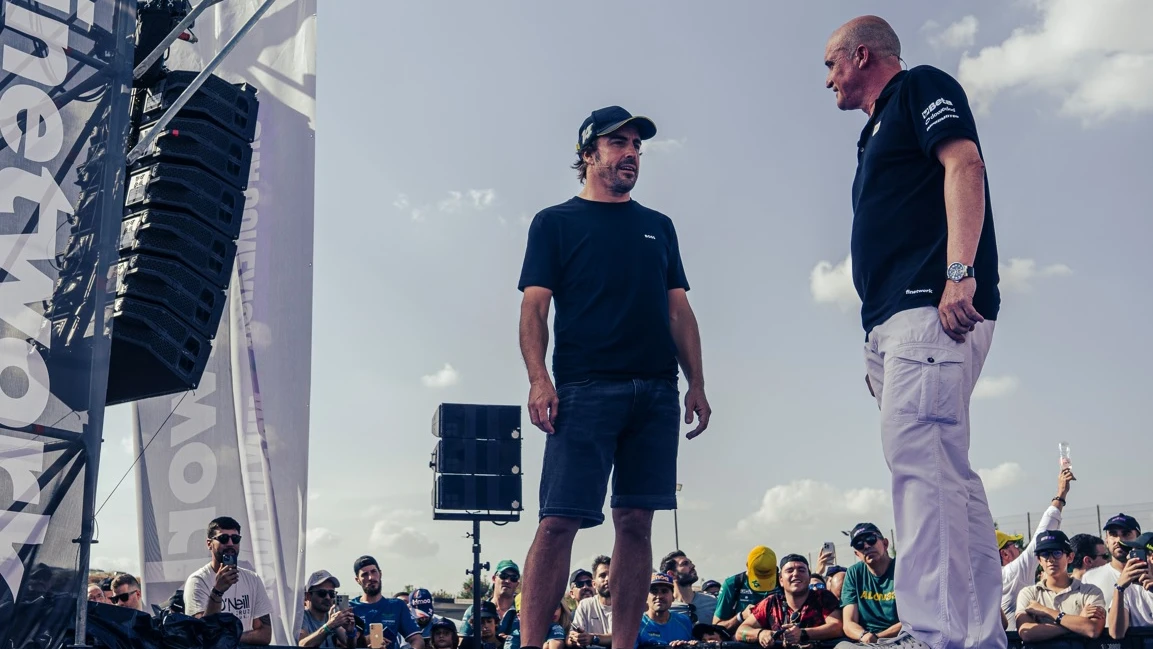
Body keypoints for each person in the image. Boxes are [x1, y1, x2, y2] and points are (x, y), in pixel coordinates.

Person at [823, 15, 1003, 649]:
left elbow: (964, 163)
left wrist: (960, 273)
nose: (827, 81)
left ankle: (934, 635)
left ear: (862, 56)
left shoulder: (920, 86)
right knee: (946, 476)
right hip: (898, 326)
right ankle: (978, 635)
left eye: (831, 65)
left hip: (931, 307)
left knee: (922, 473)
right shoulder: (873, 132)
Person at [517, 105, 712, 649]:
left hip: (655, 392)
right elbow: (534, 310)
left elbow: (680, 312)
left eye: (637, 146)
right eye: (618, 143)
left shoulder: (659, 227)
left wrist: (695, 382)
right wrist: (539, 379)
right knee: (558, 522)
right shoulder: (554, 223)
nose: (631, 153)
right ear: (588, 155)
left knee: (636, 523)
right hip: (583, 389)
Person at [183, 516, 272, 645]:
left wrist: (228, 637)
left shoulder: (253, 579)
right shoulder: (197, 581)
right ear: (209, 544)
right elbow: (203, 634)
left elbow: (265, 635)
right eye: (223, 538)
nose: (230, 543)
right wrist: (217, 591)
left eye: (235, 539)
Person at [1013, 531, 1106, 642]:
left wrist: (1046, 611)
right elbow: (1027, 633)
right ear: (1039, 560)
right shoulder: (1029, 593)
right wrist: (1077, 623)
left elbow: (1093, 629)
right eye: (1045, 554)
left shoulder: (1090, 591)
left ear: (1070, 557)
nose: (1051, 559)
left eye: (1057, 553)